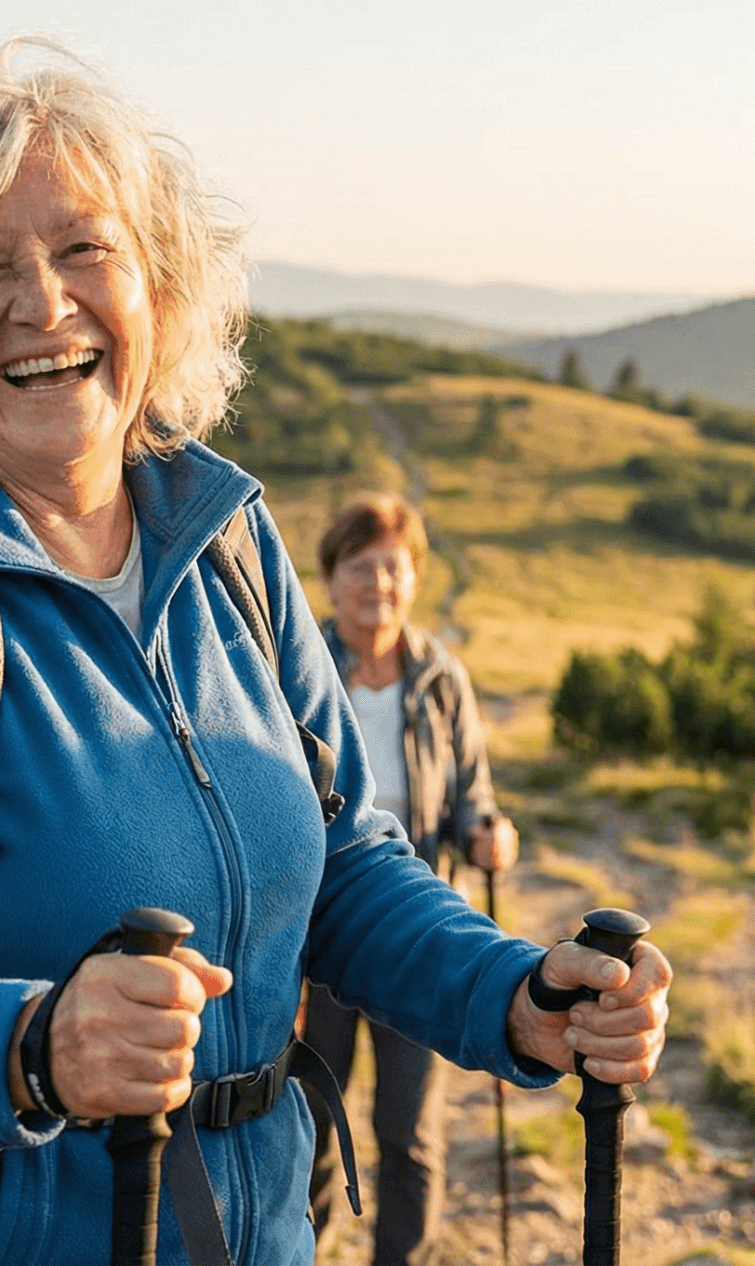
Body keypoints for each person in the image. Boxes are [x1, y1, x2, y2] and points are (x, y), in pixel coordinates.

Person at [0, 42, 672, 1265]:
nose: (43, 305)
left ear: (158, 287)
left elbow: (339, 863)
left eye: (84, 250)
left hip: (249, 1230)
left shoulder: (222, 536)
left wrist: (513, 998)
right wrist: (33, 1047)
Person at [302, 492, 521, 1265]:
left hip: (417, 926)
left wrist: (487, 830)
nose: (379, 585)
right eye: (361, 567)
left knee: (411, 1132)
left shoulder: (440, 679)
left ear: (415, 577)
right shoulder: (300, 667)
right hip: (315, 929)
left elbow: (473, 793)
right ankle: (306, 1247)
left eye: (393, 567)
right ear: (331, 578)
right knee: (310, 1121)